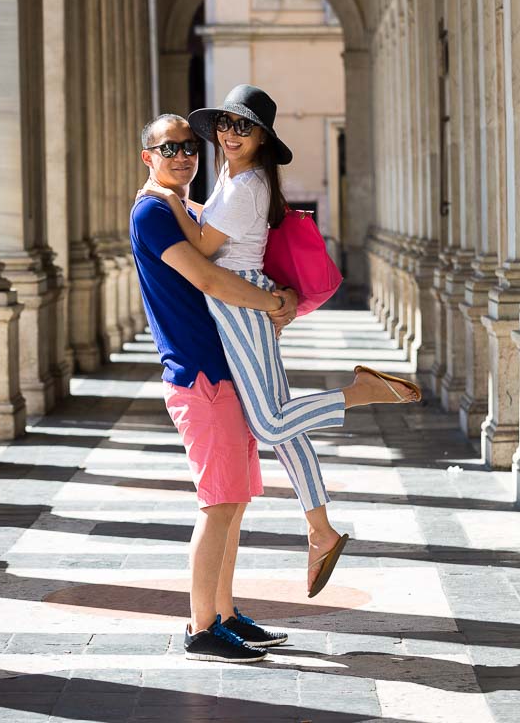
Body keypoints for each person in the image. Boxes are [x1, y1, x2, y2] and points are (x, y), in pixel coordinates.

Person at [140, 85, 422, 600]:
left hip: (238, 301)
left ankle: (359, 392)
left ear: (262, 137)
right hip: (249, 296)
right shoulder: (239, 178)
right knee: (286, 425)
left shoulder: (244, 183)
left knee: (270, 420)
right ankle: (321, 529)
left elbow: (204, 247)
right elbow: (213, 223)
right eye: (225, 123)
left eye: (242, 126)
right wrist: (180, 201)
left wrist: (164, 196)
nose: (229, 133)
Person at [130, 112, 298, 663]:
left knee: (236, 501)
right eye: (169, 148)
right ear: (148, 157)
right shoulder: (154, 212)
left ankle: (224, 614)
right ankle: (202, 628)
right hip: (200, 375)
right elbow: (207, 276)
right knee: (218, 503)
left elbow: (229, 239)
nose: (183, 156)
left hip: (226, 371)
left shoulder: (182, 208)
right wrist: (274, 303)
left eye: (189, 148)